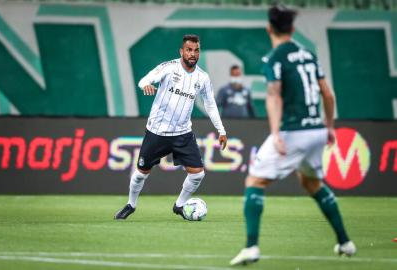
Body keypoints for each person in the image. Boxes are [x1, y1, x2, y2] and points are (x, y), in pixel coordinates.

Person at [230, 5, 356, 266]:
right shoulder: (309, 55)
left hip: (293, 131)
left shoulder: (274, 58)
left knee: (254, 181)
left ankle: (251, 247)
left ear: (269, 29)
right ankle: (345, 242)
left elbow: (274, 95)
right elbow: (328, 94)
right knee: (312, 184)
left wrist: (276, 134)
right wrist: (329, 127)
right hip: (317, 131)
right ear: (293, 29)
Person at [114, 34, 228, 220]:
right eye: (189, 50)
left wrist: (221, 130)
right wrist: (146, 86)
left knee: (198, 174)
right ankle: (131, 204)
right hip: (157, 131)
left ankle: (179, 205)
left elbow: (210, 104)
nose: (193, 54)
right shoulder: (168, 68)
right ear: (181, 51)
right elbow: (144, 80)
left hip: (182, 133)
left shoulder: (202, 77)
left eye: (196, 50)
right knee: (141, 173)